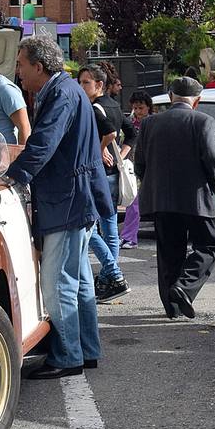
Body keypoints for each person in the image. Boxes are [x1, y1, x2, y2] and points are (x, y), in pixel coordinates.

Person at [0, 36, 109, 378]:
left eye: (21, 64)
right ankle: (85, 350)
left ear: (38, 67)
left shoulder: (60, 93)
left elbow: (43, 142)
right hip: (77, 195)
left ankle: (69, 355)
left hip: (67, 198)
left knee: (58, 281)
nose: (19, 71)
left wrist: (12, 177)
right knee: (79, 278)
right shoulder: (68, 90)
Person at [134, 76, 215, 319]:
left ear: (171, 97)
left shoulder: (150, 123)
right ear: (197, 101)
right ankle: (183, 287)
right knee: (208, 245)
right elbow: (211, 158)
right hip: (194, 198)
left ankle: (172, 307)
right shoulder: (203, 121)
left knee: (169, 252)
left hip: (161, 198)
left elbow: (139, 163)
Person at [79, 65, 128, 304]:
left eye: (86, 82)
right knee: (109, 229)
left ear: (99, 85)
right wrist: (120, 153)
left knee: (90, 229)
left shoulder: (94, 107)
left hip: (98, 175)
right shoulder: (114, 105)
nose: (81, 87)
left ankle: (113, 275)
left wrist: (98, 152)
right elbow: (129, 133)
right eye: (80, 82)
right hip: (110, 174)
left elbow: (110, 133)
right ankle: (111, 278)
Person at [119, 91, 151, 249]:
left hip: (149, 167)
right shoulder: (129, 123)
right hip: (132, 167)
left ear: (148, 108)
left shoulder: (152, 123)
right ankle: (128, 236)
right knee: (133, 203)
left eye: (141, 108)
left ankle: (129, 236)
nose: (138, 111)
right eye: (135, 108)